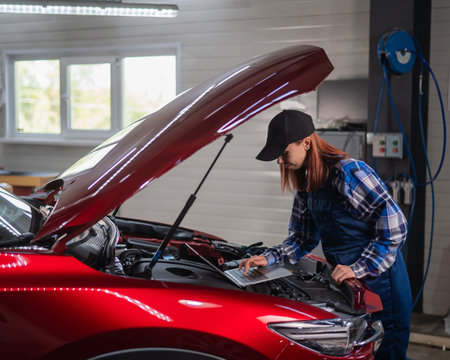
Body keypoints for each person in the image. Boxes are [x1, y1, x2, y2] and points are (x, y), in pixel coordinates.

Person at [239, 109, 412, 360]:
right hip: (350, 283)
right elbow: (303, 237)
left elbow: (396, 227)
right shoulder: (308, 184)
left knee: (388, 352)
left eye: (283, 152)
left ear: (306, 143)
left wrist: (359, 267)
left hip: (382, 283)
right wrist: (269, 258)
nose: (279, 161)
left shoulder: (349, 173)